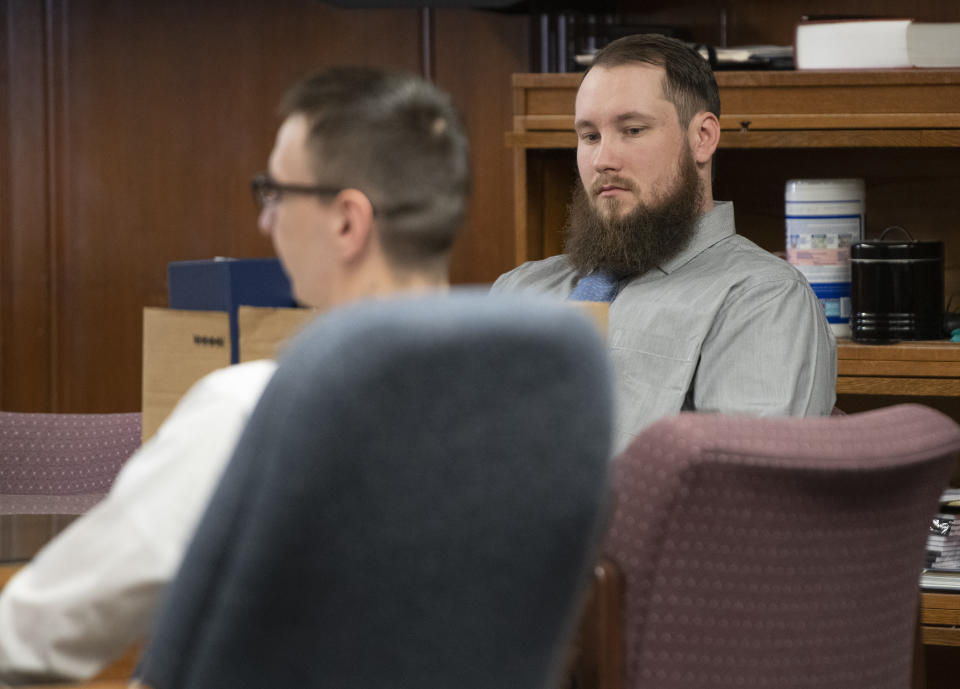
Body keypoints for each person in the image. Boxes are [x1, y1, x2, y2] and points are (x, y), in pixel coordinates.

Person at [0, 66, 470, 684]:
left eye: (275, 193)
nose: (264, 221)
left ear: (347, 221)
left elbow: (39, 635)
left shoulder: (254, 410)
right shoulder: (532, 406)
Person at [492, 34, 836, 453]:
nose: (603, 160)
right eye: (589, 136)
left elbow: (740, 496)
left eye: (632, 130)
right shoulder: (519, 289)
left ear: (703, 138)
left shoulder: (761, 299)